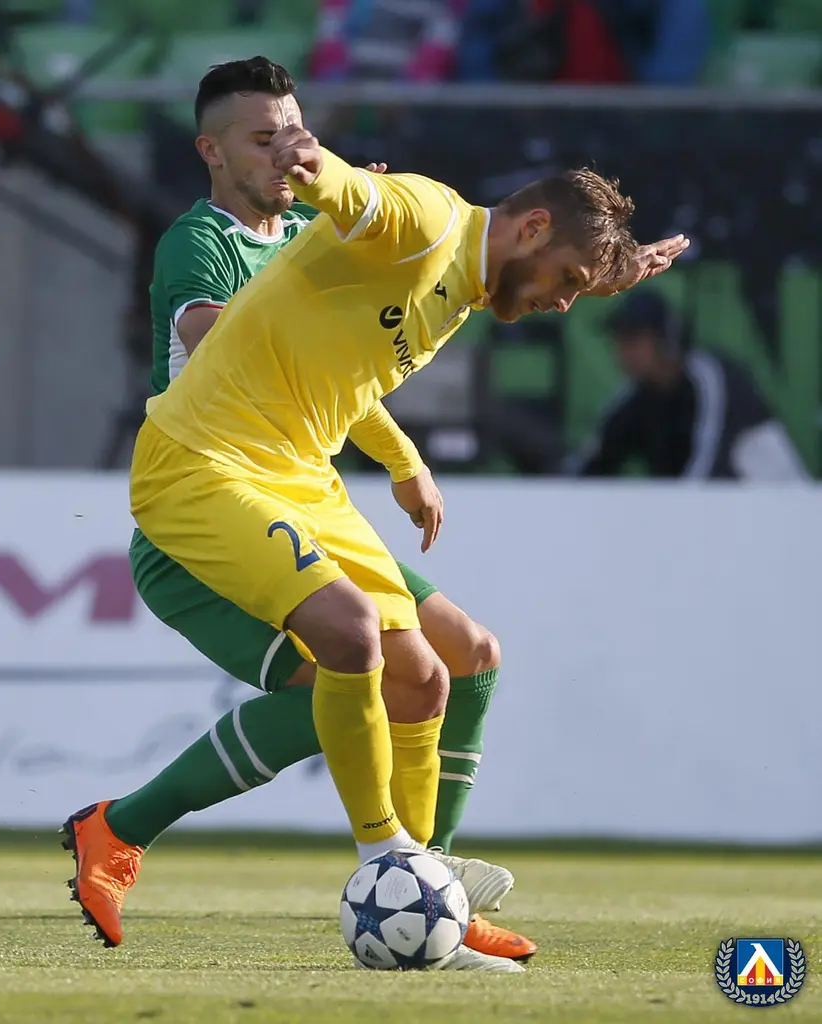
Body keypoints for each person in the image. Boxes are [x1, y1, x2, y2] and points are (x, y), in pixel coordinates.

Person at [71, 62, 687, 970]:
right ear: (531, 227)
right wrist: (315, 165)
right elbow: (363, 199)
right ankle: (387, 862)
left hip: (299, 477)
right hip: (203, 463)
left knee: (436, 675)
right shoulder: (427, 219)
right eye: (564, 280)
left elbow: (336, 362)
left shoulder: (464, 282)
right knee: (350, 637)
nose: (562, 303)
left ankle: (428, 892)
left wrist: (614, 269)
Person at [567, 289, 809, 480]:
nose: (623, 353)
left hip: (776, 508)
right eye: (619, 341)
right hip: (708, 518)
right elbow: (592, 466)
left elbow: (712, 463)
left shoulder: (712, 380)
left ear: (664, 339)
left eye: (633, 340)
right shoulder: (633, 400)